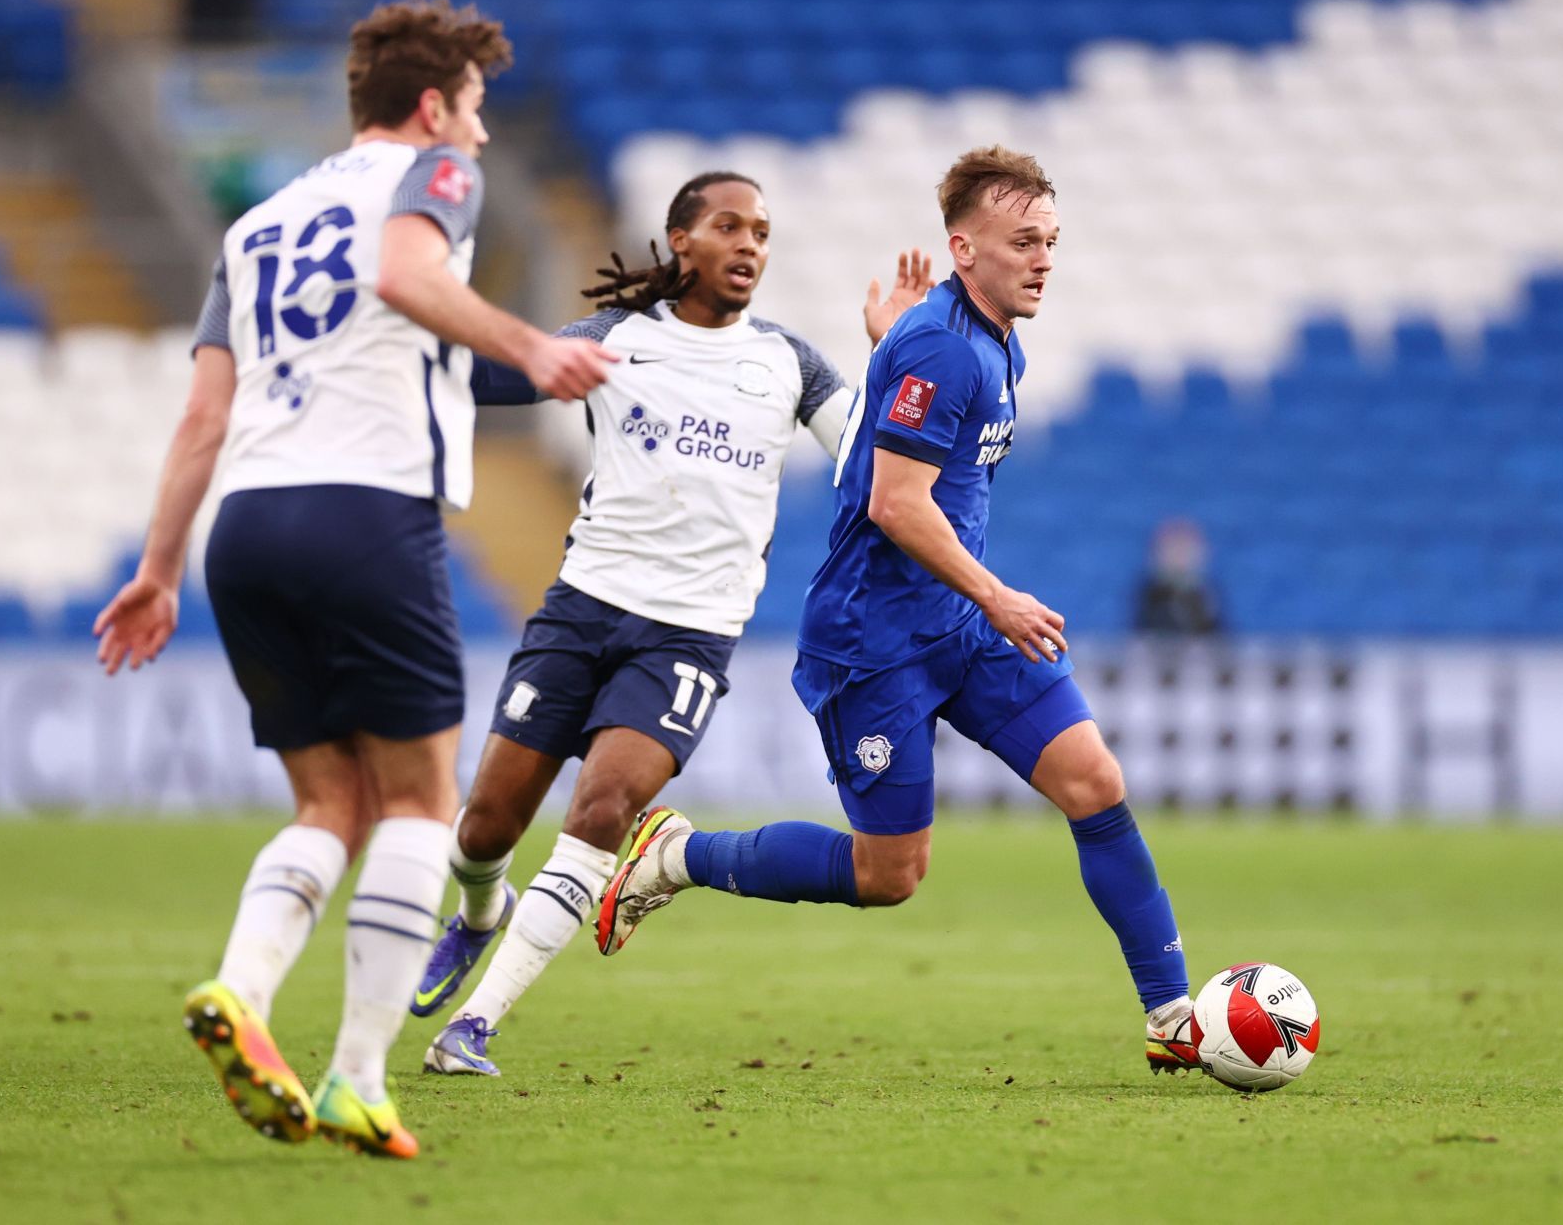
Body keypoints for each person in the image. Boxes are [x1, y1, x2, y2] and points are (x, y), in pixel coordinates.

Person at [91, 0, 612, 1159]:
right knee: (422, 804)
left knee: (330, 804)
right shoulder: (433, 179)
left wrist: (157, 569)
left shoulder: (259, 221)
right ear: (433, 106)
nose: (478, 138)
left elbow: (202, 415)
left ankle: (240, 990)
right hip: (367, 514)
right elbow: (403, 269)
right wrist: (532, 345)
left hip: (249, 529)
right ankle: (357, 1077)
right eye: (474, 111)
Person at [594, 147, 1203, 1075]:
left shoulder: (989, 340)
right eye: (1022, 242)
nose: (1043, 260)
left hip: (956, 625)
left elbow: (920, 439)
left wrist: (886, 354)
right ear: (963, 249)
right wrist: (998, 595)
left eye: (1051, 241)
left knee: (1096, 783)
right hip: (875, 643)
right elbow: (895, 501)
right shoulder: (941, 345)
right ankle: (678, 855)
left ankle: (1174, 1016)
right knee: (890, 877)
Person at [408, 170, 933, 1077]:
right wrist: (417, 337)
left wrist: (895, 360)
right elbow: (505, 375)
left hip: (689, 636)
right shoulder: (617, 339)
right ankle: (477, 910)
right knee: (487, 826)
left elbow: (880, 466)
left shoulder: (790, 365)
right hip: (582, 612)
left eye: (763, 232)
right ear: (681, 241)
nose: (750, 246)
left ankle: (474, 1028)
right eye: (730, 226)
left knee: (606, 809)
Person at [1133, 518, 1223, 635]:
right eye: (1174, 549)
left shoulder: (1207, 592)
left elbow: (1218, 636)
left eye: (1184, 549)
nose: (1179, 556)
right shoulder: (1149, 593)